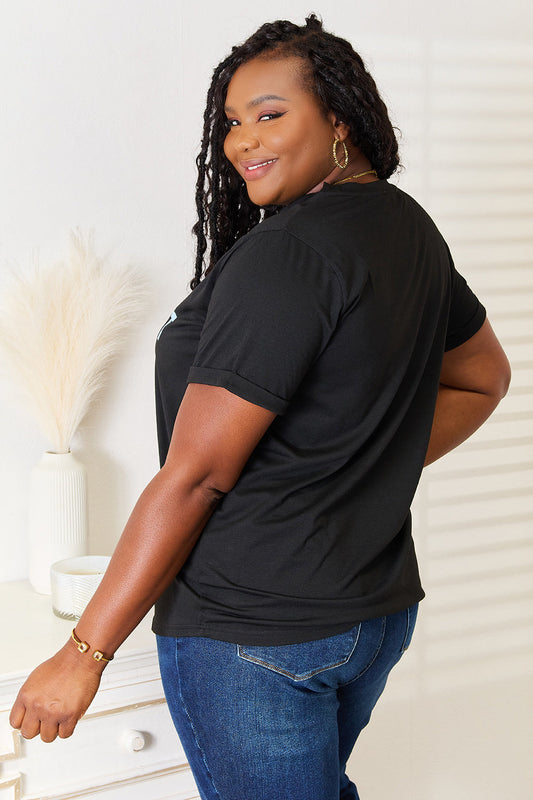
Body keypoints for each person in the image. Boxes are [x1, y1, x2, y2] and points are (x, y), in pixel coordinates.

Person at [10, 15, 511, 800]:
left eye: (270, 114)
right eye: (232, 124)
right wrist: (347, 465)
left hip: (252, 631)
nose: (242, 141)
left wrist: (83, 655)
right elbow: (483, 379)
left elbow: (196, 477)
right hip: (368, 617)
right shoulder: (405, 228)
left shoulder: (290, 254)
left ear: (339, 118)